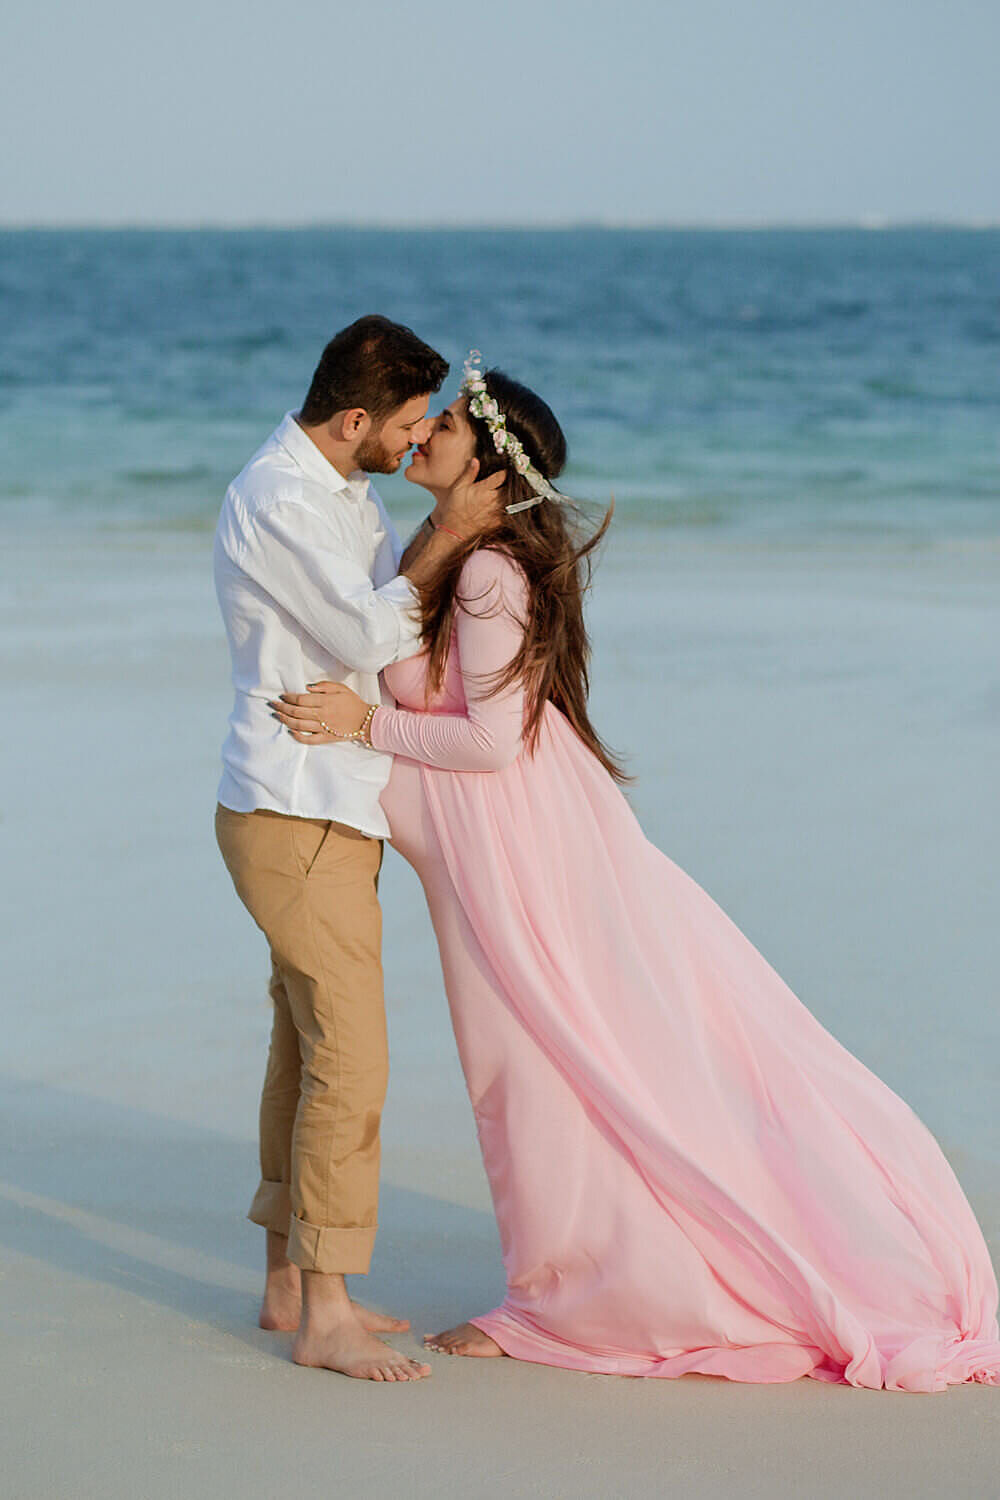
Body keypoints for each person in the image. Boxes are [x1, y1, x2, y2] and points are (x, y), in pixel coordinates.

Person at [272, 352, 1000, 1391]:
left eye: (451, 427)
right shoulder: (462, 556)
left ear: (490, 471)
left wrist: (364, 721)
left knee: (536, 1068)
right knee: (536, 1068)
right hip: (503, 841)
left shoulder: (486, 573)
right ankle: (558, 1278)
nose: (424, 431)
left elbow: (488, 744)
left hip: (519, 852)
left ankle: (559, 1297)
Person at [214, 317, 499, 1383]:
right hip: (291, 807)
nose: (418, 440)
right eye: (409, 423)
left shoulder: (348, 491)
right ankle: (324, 1314)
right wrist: (448, 535)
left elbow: (390, 633)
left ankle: (290, 1281)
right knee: (352, 1058)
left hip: (335, 803)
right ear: (352, 421)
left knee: (303, 1045)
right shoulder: (281, 499)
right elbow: (372, 636)